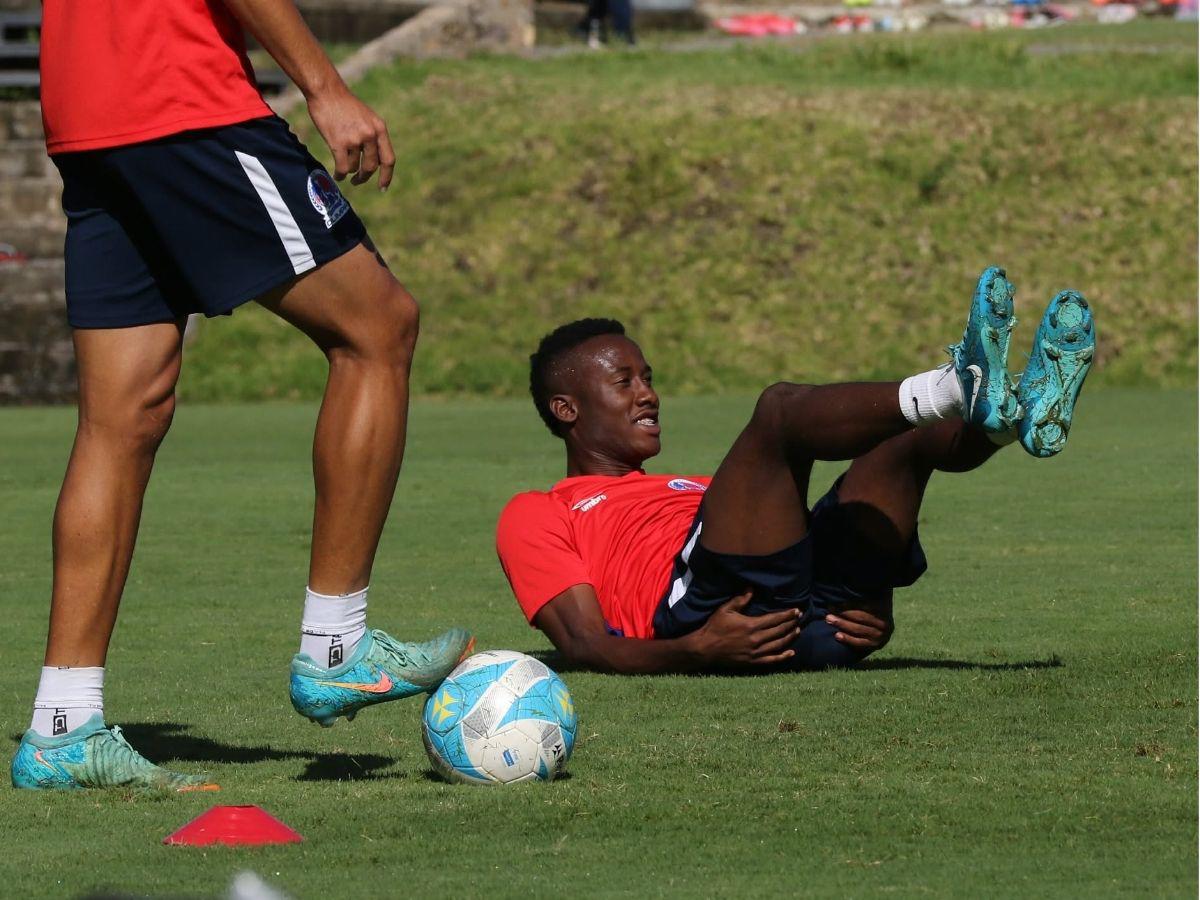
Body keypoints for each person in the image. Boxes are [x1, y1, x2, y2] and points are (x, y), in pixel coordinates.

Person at [11, 0, 473, 792]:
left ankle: (62, 725)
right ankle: (337, 646)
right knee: (377, 329)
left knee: (123, 417)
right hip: (181, 96)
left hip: (89, 112)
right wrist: (325, 87)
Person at [496, 268, 1095, 673]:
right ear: (566, 409)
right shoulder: (538, 510)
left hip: (809, 617)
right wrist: (696, 649)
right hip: (714, 620)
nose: (648, 394)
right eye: (624, 382)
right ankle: (956, 390)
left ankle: (1010, 417)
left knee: (903, 443)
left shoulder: (699, 492)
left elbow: (790, 535)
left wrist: (873, 602)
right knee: (778, 412)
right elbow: (581, 643)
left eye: (648, 377)